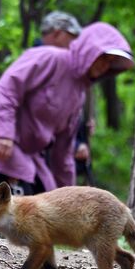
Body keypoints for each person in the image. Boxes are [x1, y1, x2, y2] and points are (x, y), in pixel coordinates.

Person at [0, 22, 134, 195]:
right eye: (102, 57)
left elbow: (63, 150)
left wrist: (69, 195)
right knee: (23, 205)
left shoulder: (79, 93)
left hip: (27, 148)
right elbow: (8, 90)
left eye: (110, 62)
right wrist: (3, 134)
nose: (104, 66)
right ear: (88, 50)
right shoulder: (50, 58)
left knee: (48, 193)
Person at [38, 11, 96, 185]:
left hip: (58, 149)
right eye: (71, 38)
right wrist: (77, 143)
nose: (74, 44)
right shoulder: (43, 61)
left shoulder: (66, 62)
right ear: (57, 33)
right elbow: (49, 111)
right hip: (41, 150)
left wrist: (82, 134)